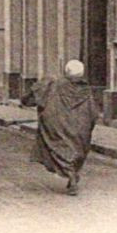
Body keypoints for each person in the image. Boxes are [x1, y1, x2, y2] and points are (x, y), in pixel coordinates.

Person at [25, 59, 101, 196]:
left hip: (59, 127)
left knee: (59, 149)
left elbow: (33, 96)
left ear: (66, 72)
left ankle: (71, 177)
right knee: (76, 152)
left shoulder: (54, 84)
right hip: (80, 130)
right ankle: (73, 174)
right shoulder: (86, 90)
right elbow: (93, 112)